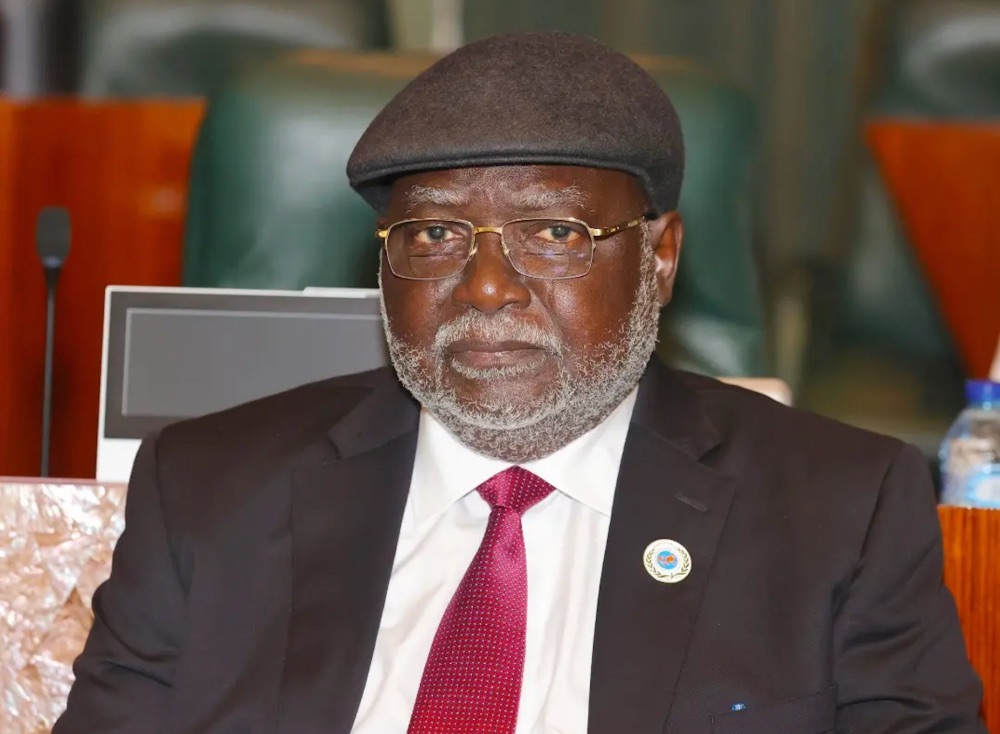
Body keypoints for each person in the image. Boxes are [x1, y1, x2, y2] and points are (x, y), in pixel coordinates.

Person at [54, 31, 984, 734]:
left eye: (554, 233)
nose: (487, 288)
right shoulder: (211, 491)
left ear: (659, 259)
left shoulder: (838, 509)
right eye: (435, 234)